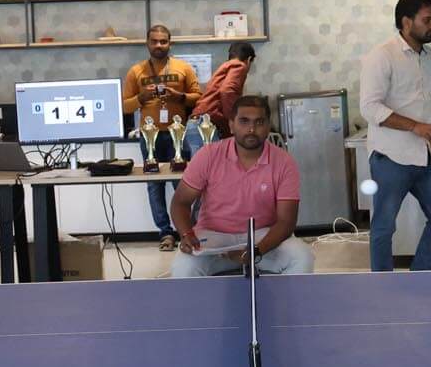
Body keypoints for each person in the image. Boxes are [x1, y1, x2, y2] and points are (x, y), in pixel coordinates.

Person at [359, 0, 431, 272]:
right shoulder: (381, 56)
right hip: (391, 157)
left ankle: (419, 275)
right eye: (427, 19)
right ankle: (383, 286)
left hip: (429, 157)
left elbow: (423, 104)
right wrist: (416, 126)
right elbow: (370, 108)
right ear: (406, 22)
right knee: (384, 227)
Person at [170, 95, 314, 277]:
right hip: (213, 237)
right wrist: (186, 234)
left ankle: (288, 306)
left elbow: (286, 222)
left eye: (259, 122)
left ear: (268, 125)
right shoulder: (208, 155)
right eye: (244, 121)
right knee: (183, 267)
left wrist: (256, 251)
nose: (252, 129)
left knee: (302, 257)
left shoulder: (284, 162)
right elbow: (180, 202)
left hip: (264, 236)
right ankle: (199, 307)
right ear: (231, 125)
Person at [122, 24, 203, 251]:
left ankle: (186, 232)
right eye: (154, 41)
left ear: (170, 43)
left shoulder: (183, 68)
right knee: (154, 185)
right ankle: (165, 233)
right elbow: (124, 106)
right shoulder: (136, 71)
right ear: (147, 43)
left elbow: (198, 98)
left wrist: (180, 96)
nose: (159, 45)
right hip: (150, 137)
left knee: (185, 185)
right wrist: (141, 97)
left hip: (179, 135)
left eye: (163, 41)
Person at [191, 41, 257, 138]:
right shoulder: (239, 66)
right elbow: (227, 91)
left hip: (197, 121)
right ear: (249, 59)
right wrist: (234, 122)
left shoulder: (225, 66)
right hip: (208, 125)